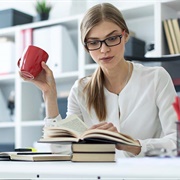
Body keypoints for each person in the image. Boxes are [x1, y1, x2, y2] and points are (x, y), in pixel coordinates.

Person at [20, 3, 177, 158]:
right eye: (94, 42)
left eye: (112, 38)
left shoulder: (156, 78)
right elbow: (60, 150)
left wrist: (127, 143)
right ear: (86, 47)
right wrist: (49, 95)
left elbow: (176, 142)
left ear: (125, 36)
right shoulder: (81, 89)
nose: (104, 49)